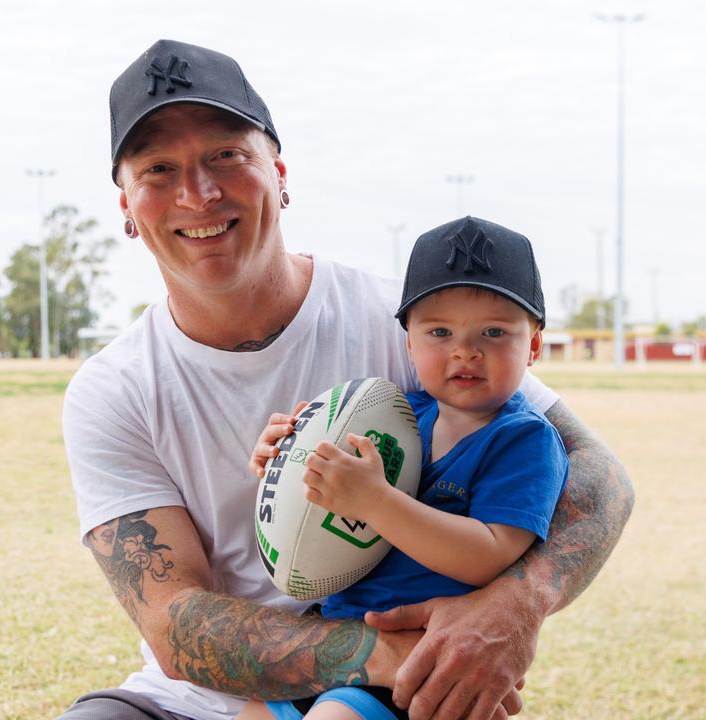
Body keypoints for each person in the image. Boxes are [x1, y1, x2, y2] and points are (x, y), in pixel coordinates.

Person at [59, 39, 635, 720]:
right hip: (208, 698)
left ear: (278, 173)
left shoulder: (416, 328)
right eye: (158, 170)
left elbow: (596, 473)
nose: (198, 193)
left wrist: (516, 604)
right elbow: (174, 621)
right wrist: (396, 655)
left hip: (378, 702)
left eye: (226, 156)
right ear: (127, 206)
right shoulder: (113, 389)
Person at [244, 218, 569, 720]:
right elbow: (325, 487)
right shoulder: (395, 414)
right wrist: (285, 457)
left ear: (533, 345)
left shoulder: (524, 439)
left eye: (495, 332)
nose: (465, 350)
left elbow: (488, 554)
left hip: (420, 664)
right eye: (440, 331)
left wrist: (375, 500)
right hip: (340, 641)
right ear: (409, 344)